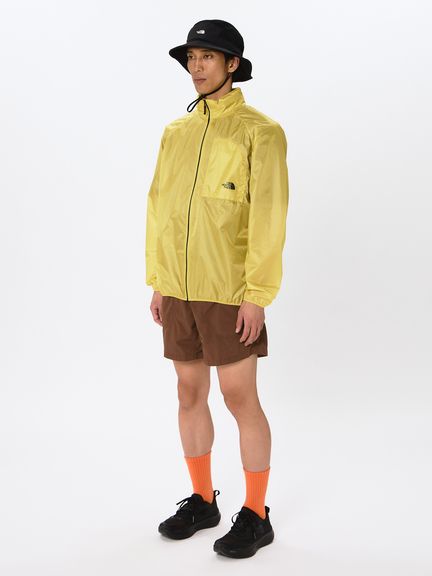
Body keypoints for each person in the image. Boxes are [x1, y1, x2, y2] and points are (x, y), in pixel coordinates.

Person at [145, 19, 289, 559]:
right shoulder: (176, 133)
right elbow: (159, 208)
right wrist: (158, 281)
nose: (196, 66)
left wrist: (258, 293)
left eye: (207, 56)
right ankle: (203, 501)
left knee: (239, 397)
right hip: (178, 289)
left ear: (232, 64)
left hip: (229, 290)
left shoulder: (260, 132)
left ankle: (256, 512)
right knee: (188, 392)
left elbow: (269, 216)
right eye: (191, 57)